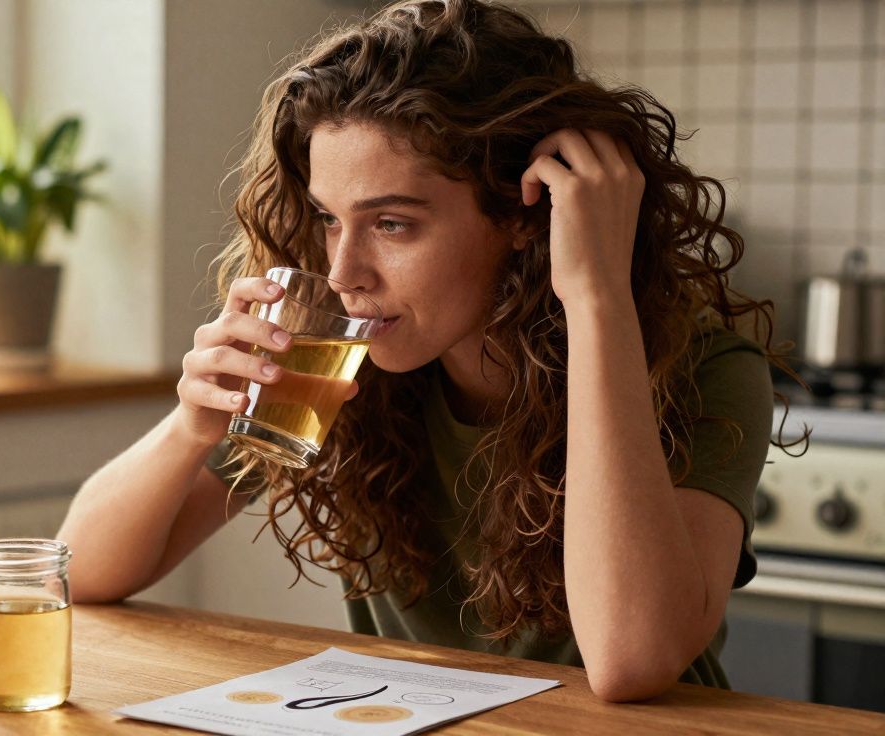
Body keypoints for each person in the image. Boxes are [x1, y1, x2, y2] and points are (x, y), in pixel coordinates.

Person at [56, 0, 799, 702]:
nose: (343, 274)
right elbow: (74, 574)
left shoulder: (706, 370)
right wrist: (191, 426)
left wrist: (596, 295)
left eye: (392, 225)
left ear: (521, 214)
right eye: (327, 218)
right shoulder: (341, 364)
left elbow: (632, 659)